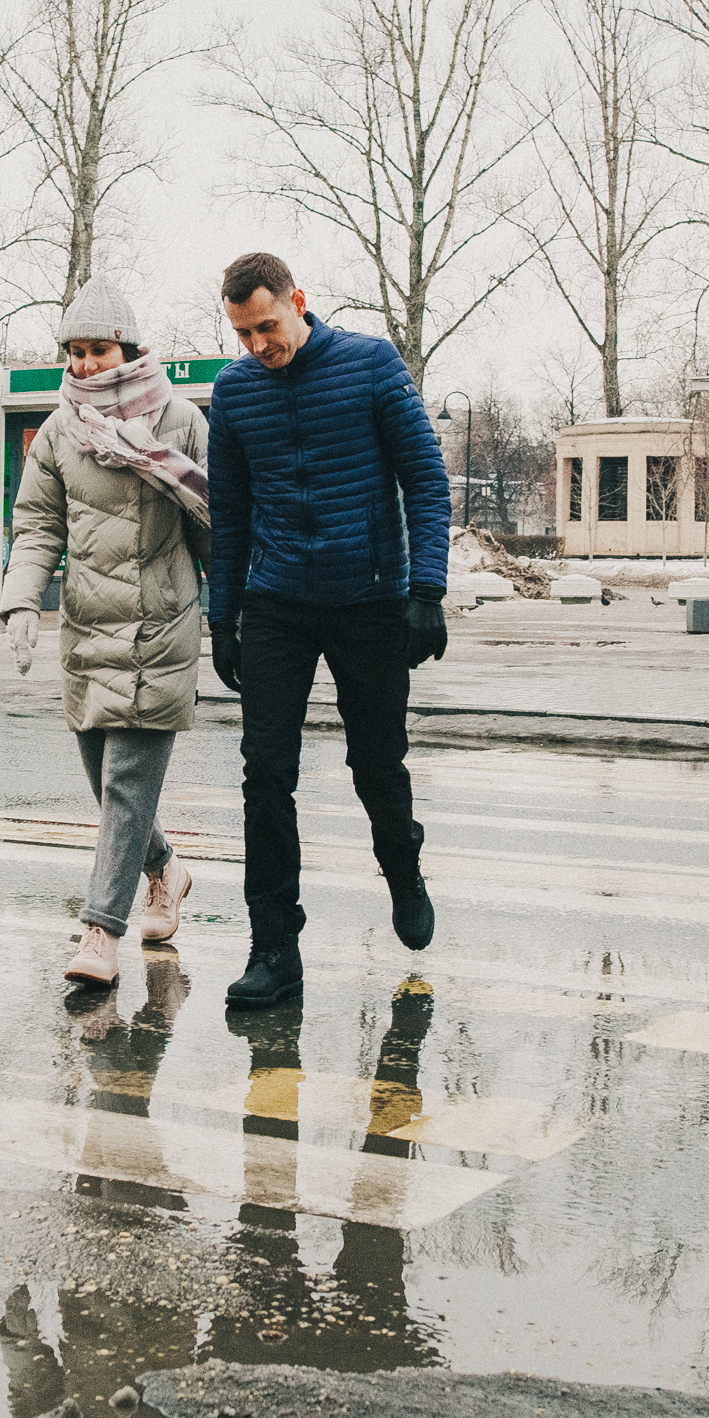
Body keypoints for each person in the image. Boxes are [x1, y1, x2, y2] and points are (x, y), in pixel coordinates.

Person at [205, 251, 451, 1009]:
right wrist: (224, 618)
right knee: (265, 773)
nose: (257, 346)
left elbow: (426, 479)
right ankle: (274, 948)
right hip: (277, 600)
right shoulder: (234, 393)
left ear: (298, 302)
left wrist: (427, 590)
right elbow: (232, 515)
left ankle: (402, 869)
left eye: (266, 327)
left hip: (369, 599)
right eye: (242, 334)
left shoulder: (372, 366)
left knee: (376, 763)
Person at [0, 275, 209, 987]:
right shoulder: (61, 430)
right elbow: (37, 525)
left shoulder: (179, 422)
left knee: (125, 786)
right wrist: (21, 601)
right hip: (87, 633)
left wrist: (238, 617)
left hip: (160, 631)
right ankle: (166, 871)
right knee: (106, 782)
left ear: (129, 347)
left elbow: (215, 525)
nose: (86, 364)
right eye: (76, 350)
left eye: (98, 348)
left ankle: (100, 933)